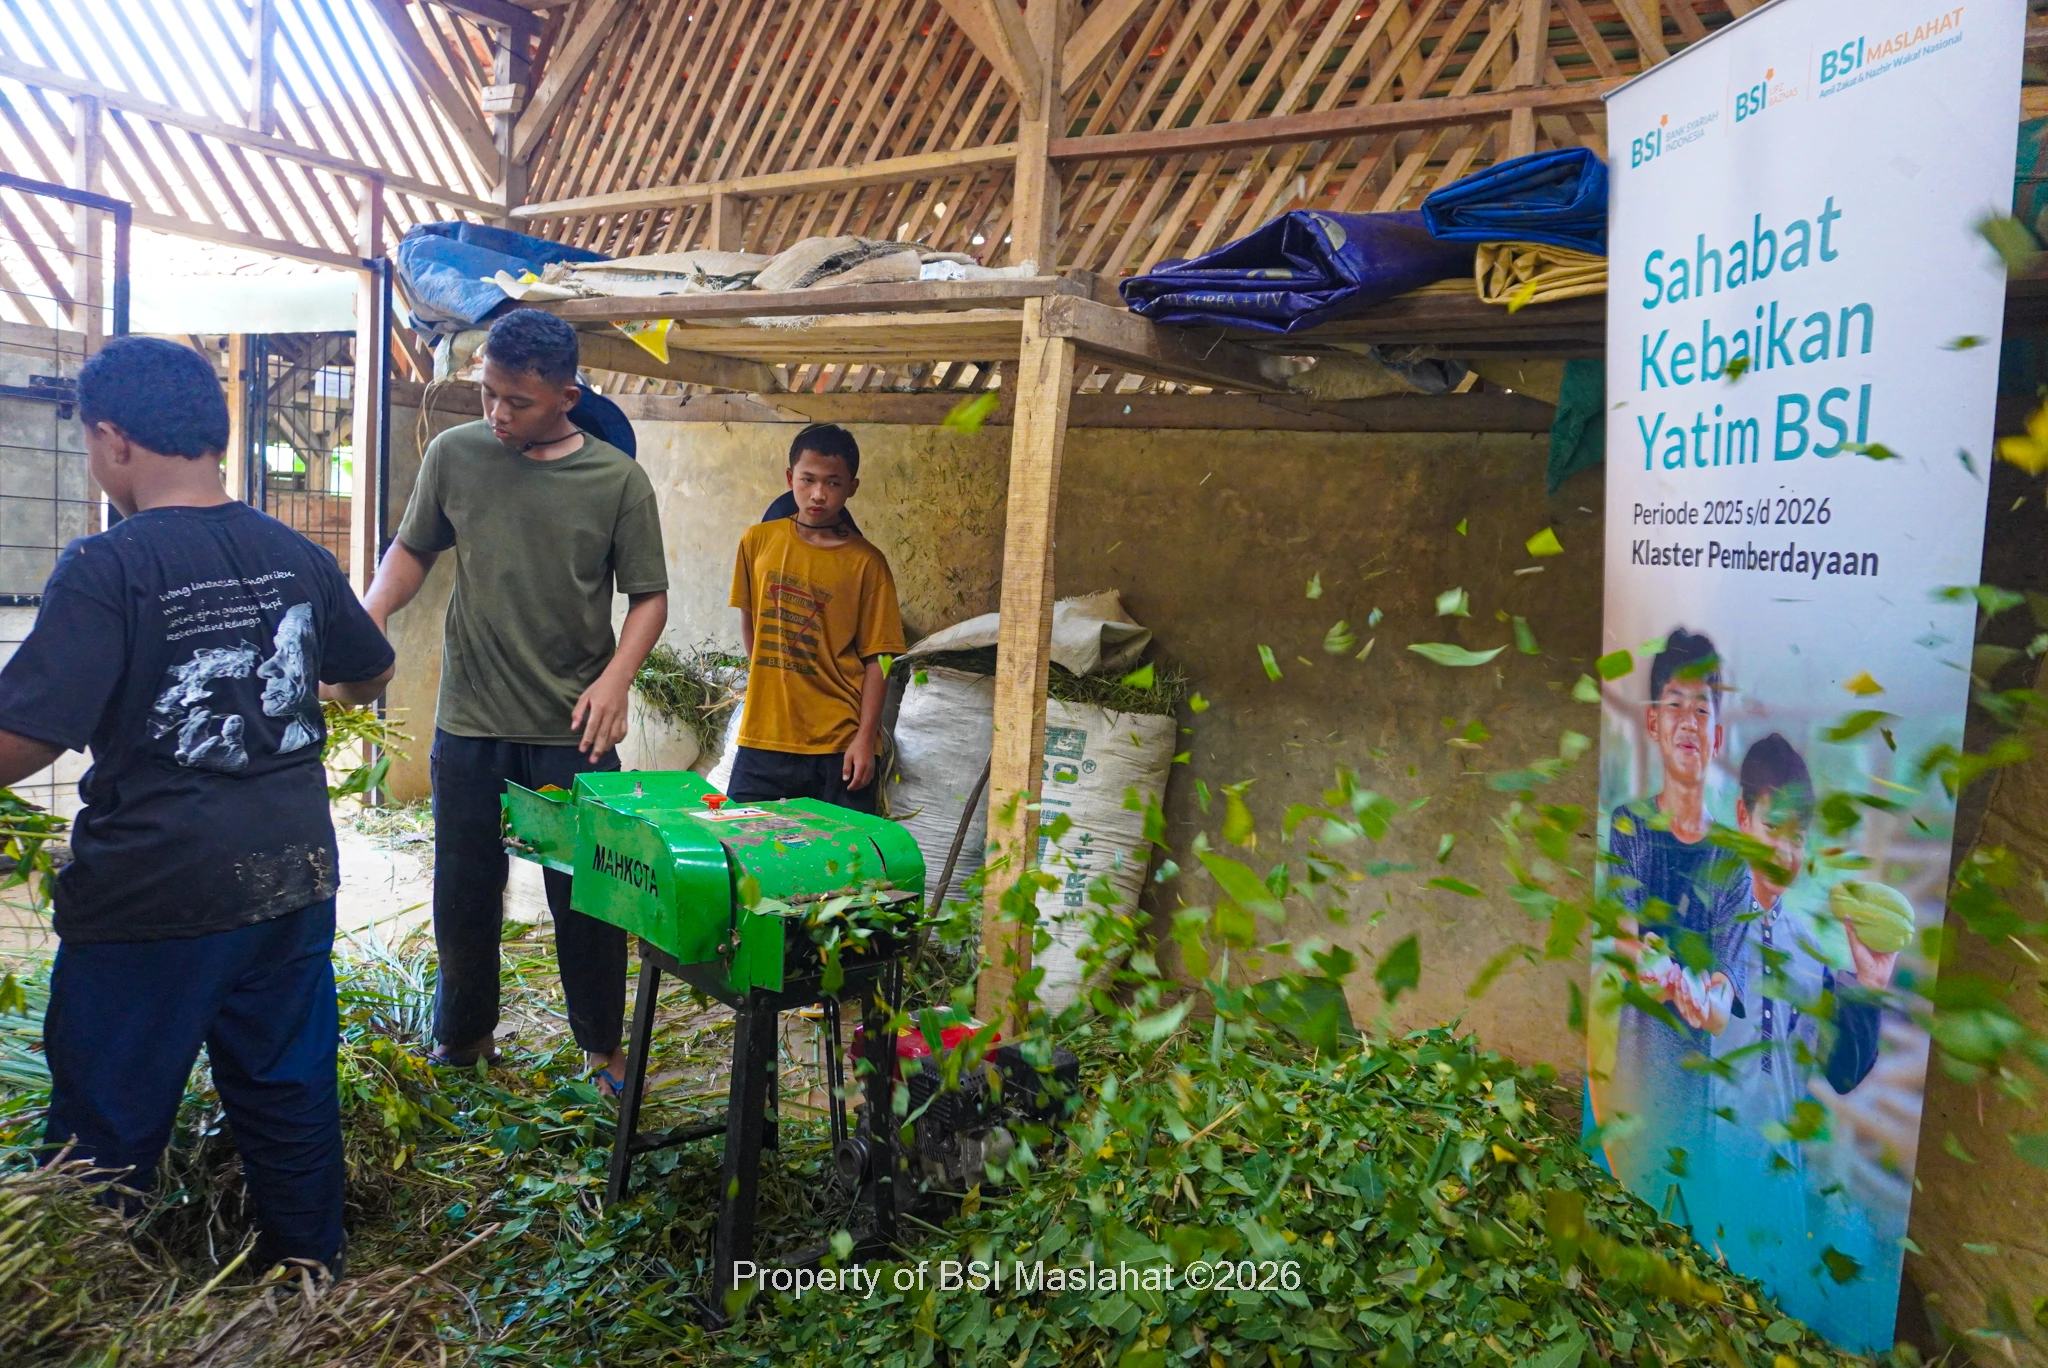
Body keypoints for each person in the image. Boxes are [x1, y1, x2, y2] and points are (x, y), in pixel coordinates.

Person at [0, 337, 393, 1274]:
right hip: (291, 874)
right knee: (288, 1089)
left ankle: (81, 1291)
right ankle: (311, 1274)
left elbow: (25, 739)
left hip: (155, 893)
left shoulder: (109, 565)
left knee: (108, 1114)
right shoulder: (291, 551)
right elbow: (368, 671)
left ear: (112, 439)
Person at [362, 309, 668, 1096]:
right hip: (468, 719)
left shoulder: (616, 481)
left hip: (574, 726)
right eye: (487, 394)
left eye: (516, 401)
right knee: (464, 889)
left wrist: (616, 678)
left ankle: (602, 1050)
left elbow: (649, 599)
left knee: (587, 900)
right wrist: (371, 610)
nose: (496, 414)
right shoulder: (455, 455)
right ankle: (463, 1040)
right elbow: (414, 548)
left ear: (567, 395)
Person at [1704, 732, 1891, 1307]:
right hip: (1699, 1176)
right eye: (1772, 828)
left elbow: (1844, 1072)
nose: (1785, 849)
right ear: (1742, 817)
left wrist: (1869, 986)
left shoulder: (1810, 949)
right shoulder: (1702, 922)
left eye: (1798, 835)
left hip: (1776, 1191)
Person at [1594, 627, 1750, 1221]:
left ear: (1716, 736)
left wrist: (1700, 995)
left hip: (1692, 1090)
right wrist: (1659, 969)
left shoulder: (1733, 860)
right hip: (1630, 1076)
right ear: (1653, 723)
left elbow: (1721, 999)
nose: (1688, 721)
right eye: (1674, 706)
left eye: (1701, 709)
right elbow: (1622, 937)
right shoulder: (1630, 826)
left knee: (1683, 1227)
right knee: (1622, 1210)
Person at [727, 424, 903, 813]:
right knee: (746, 850)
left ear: (852, 487)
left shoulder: (867, 563)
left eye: (833, 483)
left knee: (842, 864)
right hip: (765, 737)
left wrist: (864, 739)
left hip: (839, 744)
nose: (819, 494)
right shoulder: (757, 541)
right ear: (791, 478)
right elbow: (750, 619)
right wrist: (770, 684)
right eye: (808, 480)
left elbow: (882, 658)